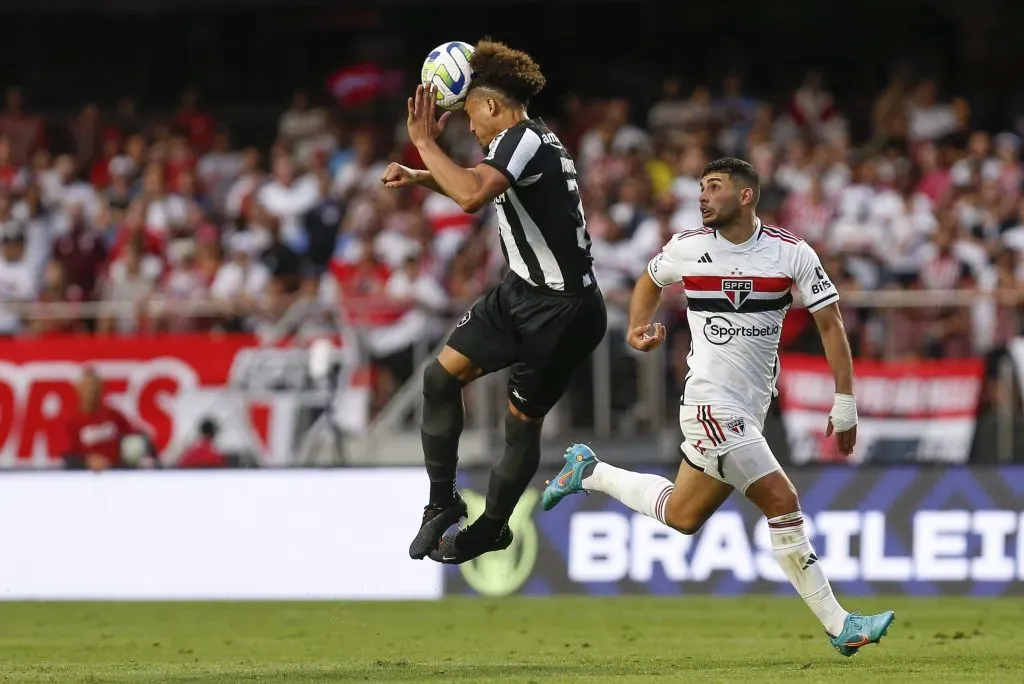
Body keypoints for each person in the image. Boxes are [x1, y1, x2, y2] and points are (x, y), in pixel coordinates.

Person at [542, 157, 894, 657]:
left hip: (750, 410)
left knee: (682, 515)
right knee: (782, 501)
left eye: (714, 186)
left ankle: (590, 471)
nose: (702, 196)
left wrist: (845, 401)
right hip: (709, 402)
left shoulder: (790, 254)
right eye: (701, 187)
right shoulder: (687, 247)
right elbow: (649, 278)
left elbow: (831, 322)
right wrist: (637, 326)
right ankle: (841, 624)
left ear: (746, 195)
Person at [381, 39, 607, 564]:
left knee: (519, 423)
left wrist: (424, 144)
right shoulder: (522, 144)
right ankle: (441, 502)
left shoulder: (523, 137)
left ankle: (492, 527)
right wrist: (422, 176)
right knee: (438, 379)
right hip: (519, 292)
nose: (470, 130)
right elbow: (478, 188)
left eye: (469, 119)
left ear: (489, 105)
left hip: (562, 312)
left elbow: (470, 195)